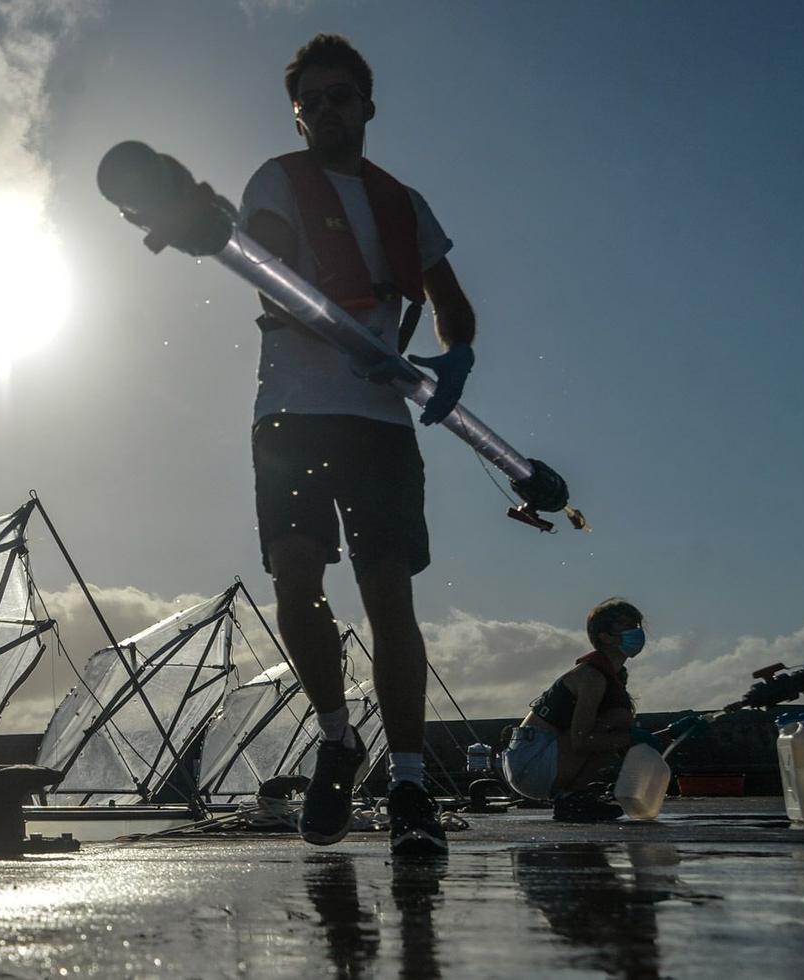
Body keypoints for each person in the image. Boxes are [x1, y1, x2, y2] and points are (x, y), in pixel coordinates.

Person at [239, 34, 477, 856]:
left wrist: (457, 356)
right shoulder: (277, 180)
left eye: (343, 95)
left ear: (367, 105)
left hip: (380, 423)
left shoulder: (403, 203)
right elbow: (262, 267)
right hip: (294, 413)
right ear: (299, 115)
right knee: (297, 579)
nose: (329, 109)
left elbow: (453, 302)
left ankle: (409, 783)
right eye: (313, 101)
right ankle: (338, 737)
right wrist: (334, 331)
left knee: (389, 597)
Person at [502, 598, 692, 821]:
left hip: (542, 763)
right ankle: (571, 800)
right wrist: (631, 736)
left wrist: (670, 734)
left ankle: (572, 797)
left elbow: (613, 741)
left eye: (637, 626)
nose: (637, 633)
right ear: (605, 637)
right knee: (619, 719)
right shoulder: (591, 677)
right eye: (628, 627)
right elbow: (583, 741)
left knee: (620, 724)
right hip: (531, 766)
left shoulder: (614, 675)